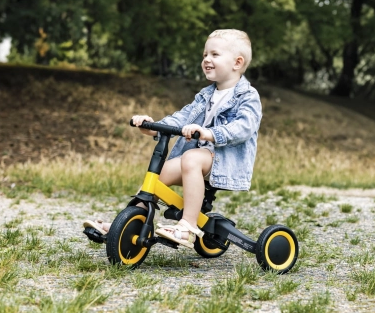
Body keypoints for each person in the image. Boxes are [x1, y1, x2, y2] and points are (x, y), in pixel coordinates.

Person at [83, 29, 262, 248]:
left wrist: (211, 133)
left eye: (214, 55)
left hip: (226, 162)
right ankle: (128, 221)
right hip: (199, 159)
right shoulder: (206, 95)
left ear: (237, 62)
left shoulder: (248, 96)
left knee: (191, 158)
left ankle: (187, 227)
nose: (206, 59)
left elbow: (244, 127)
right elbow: (181, 118)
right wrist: (153, 126)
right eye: (205, 54)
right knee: (163, 172)